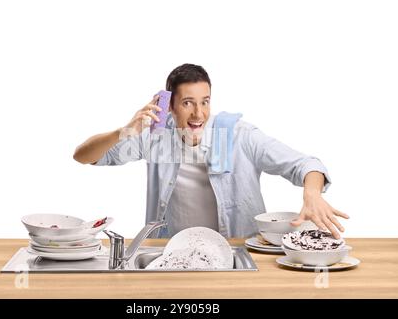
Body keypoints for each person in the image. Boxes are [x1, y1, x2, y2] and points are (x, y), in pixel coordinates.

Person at [73, 63, 349, 239]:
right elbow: (84, 156)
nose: (198, 114)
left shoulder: (239, 136)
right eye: (188, 103)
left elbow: (306, 164)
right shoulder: (156, 138)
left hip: (234, 251)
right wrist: (125, 131)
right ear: (169, 106)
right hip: (172, 253)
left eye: (205, 102)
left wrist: (311, 192)